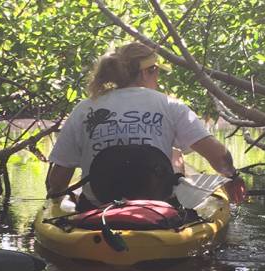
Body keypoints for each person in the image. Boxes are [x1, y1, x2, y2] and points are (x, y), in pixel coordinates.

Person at [46, 42, 246, 209]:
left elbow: (57, 182)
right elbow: (220, 157)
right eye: (156, 71)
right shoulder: (171, 105)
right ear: (146, 72)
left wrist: (59, 200)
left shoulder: (85, 108)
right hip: (158, 211)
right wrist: (232, 177)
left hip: (97, 211)